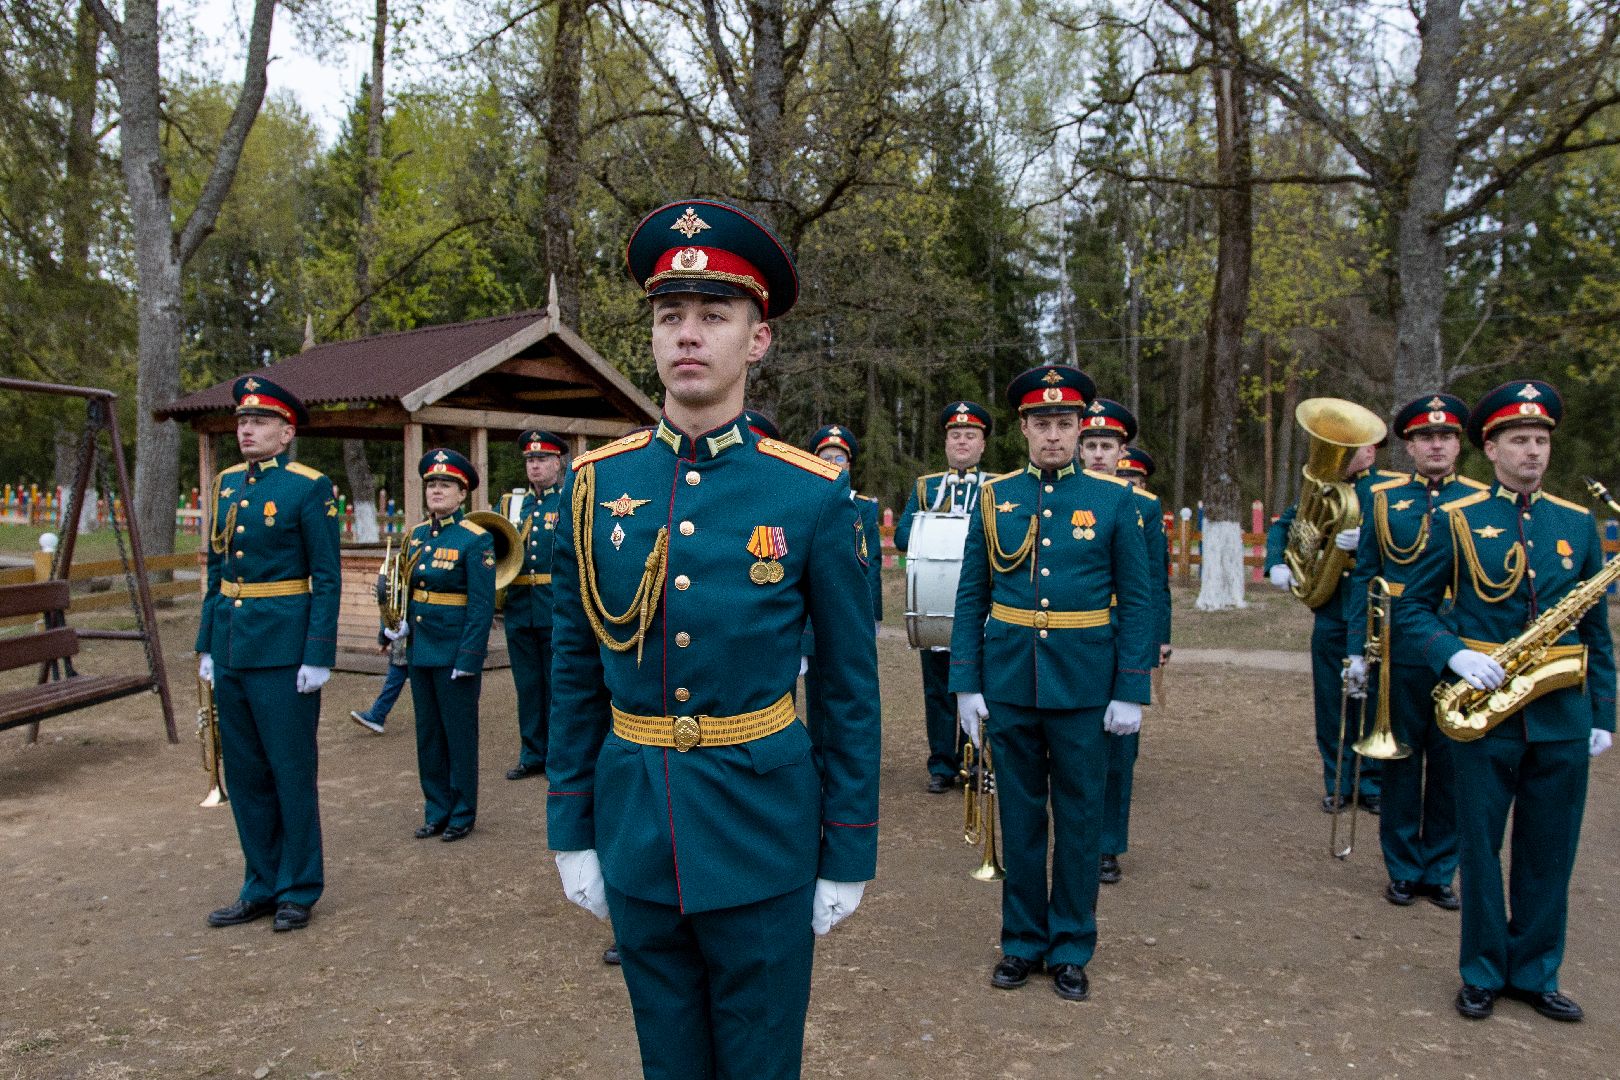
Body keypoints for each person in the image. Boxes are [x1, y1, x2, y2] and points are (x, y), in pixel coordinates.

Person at [546, 199, 880, 1080]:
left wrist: (847, 847)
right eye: (669, 317)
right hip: (636, 828)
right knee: (669, 1063)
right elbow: (574, 675)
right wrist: (569, 827)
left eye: (713, 316)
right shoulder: (593, 489)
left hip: (765, 834)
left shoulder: (809, 498)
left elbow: (848, 687)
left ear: (756, 341)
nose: (687, 335)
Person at [1395, 379, 1614, 1023]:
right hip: (1483, 712)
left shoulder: (1576, 522)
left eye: (1542, 441)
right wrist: (1454, 654)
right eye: (1519, 440)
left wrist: (1603, 713)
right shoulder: (1458, 521)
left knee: (1551, 850)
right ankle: (1484, 971)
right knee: (1480, 851)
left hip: (1560, 714)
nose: (1533, 453)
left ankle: (1537, 971)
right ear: (1489, 449)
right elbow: (1410, 609)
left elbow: (1596, 632)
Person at [950, 364, 1154, 1002]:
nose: (1054, 435)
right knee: (1019, 816)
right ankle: (1020, 942)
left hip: (1085, 686)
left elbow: (1140, 602)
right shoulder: (995, 498)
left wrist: (1130, 689)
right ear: (1024, 429)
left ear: (1080, 429)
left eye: (1065, 424)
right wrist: (965, 683)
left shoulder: (1114, 500)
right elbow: (971, 596)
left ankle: (1070, 945)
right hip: (1010, 680)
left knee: (1080, 818)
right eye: (1042, 424)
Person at [198, 375, 340, 933]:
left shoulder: (309, 487)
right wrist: (207, 644)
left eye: (259, 423)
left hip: (284, 651)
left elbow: (325, 577)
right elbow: (216, 570)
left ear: (286, 433)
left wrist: (318, 653)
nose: (246, 430)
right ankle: (259, 883)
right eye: (241, 421)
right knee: (247, 774)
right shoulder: (228, 485)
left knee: (290, 771)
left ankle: (298, 887)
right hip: (232, 646)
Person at [1342, 394, 1486, 909]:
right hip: (1397, 645)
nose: (1437, 446)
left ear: (1460, 444)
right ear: (1409, 445)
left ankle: (1439, 870)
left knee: (1452, 762)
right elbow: (1364, 576)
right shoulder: (1383, 499)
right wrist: (1357, 649)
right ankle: (1402, 867)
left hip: (1464, 647)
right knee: (1400, 760)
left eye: (1446, 437)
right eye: (1426, 437)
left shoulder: (1481, 500)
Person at [1265, 440, 1402, 812]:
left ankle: (1372, 782)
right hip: (1332, 607)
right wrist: (1276, 561)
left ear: (1371, 452)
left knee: (1374, 698)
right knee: (1331, 700)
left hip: (1375, 609)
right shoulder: (1326, 489)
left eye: (1350, 449)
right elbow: (1287, 526)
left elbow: (1410, 540)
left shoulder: (1391, 489)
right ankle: (1337, 781)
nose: (1338, 458)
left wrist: (1370, 539)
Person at [1082, 429, 1173, 885]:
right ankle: (1075, 836)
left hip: (1124, 633)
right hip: (1076, 637)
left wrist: (1158, 637)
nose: (1098, 455)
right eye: (1091, 446)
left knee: (1120, 747)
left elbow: (1156, 581)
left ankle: (1107, 845)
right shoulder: (1061, 496)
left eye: (1107, 448)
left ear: (1123, 455)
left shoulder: (1144, 506)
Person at [393, 449, 496, 842]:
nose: (436, 491)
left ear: (462, 494)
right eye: (431, 484)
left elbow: (481, 605)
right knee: (429, 735)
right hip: (421, 649)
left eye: (445, 485)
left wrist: (470, 656)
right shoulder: (415, 536)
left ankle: (462, 812)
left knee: (459, 735)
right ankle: (435, 809)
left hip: (455, 652)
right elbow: (406, 590)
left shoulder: (475, 538)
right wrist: (395, 625)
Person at [894, 400, 994, 793]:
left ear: (983, 444)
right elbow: (904, 537)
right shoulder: (927, 486)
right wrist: (932, 516)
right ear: (946, 443)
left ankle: (977, 760)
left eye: (971, 436)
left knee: (979, 685)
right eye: (956, 436)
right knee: (937, 688)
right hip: (934, 604)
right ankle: (942, 765)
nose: (963, 443)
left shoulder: (997, 486)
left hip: (981, 608)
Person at [800, 423, 883, 745]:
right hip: (814, 618)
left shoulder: (863, 506)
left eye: (839, 459)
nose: (833, 464)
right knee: (816, 694)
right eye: (825, 457)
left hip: (851, 614)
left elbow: (872, 564)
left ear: (848, 464)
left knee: (850, 688)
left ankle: (845, 749)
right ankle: (818, 753)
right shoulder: (806, 505)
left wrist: (874, 615)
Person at [500, 429, 566, 781]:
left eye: (542, 460)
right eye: (530, 460)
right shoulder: (511, 505)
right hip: (518, 606)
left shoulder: (568, 500)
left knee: (557, 684)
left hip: (554, 607)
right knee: (527, 686)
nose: (535, 466)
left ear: (558, 463)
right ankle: (531, 753)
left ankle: (557, 753)